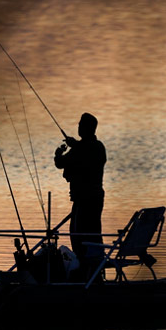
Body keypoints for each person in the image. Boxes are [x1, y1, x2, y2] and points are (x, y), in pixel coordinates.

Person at [55, 113, 106, 281]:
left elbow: (60, 163)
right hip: (97, 199)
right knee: (94, 235)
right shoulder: (99, 147)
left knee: (78, 236)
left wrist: (58, 153)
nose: (77, 127)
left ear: (85, 128)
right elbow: (86, 150)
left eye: (80, 125)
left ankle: (85, 274)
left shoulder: (80, 149)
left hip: (83, 200)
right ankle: (95, 273)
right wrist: (75, 145)